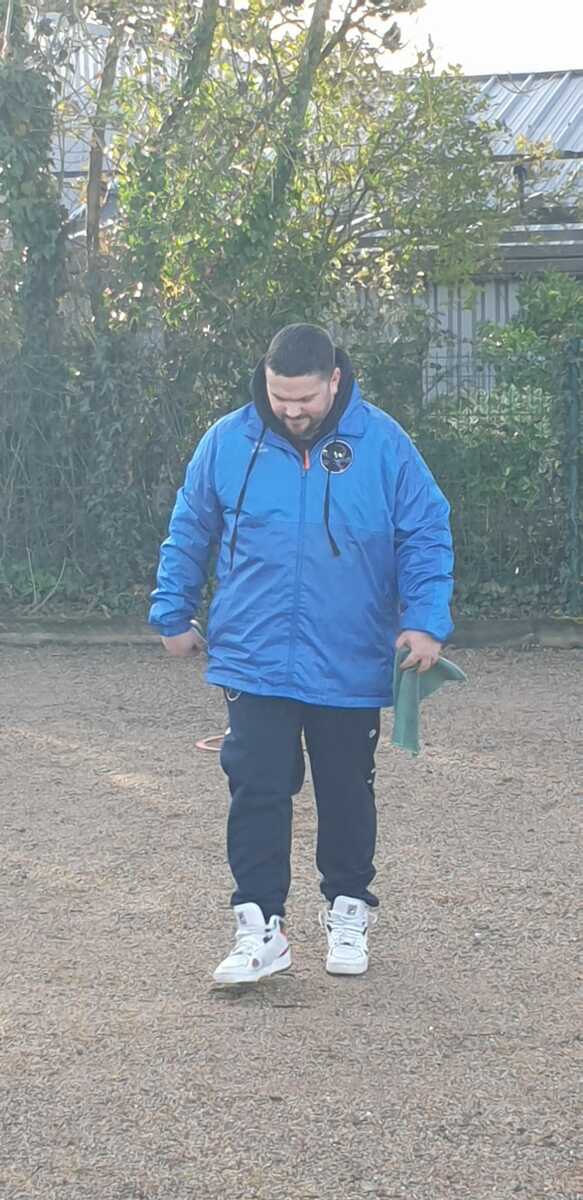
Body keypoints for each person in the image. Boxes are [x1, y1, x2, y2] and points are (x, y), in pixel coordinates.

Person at [149, 323, 454, 983]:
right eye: (279, 396)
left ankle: (348, 909)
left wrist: (425, 622)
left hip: (349, 655)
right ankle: (259, 927)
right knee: (256, 788)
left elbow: (426, 531)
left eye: (305, 398)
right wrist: (172, 611)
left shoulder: (384, 443)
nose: (290, 410)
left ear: (334, 380)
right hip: (252, 655)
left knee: (346, 789)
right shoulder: (226, 440)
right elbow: (190, 525)